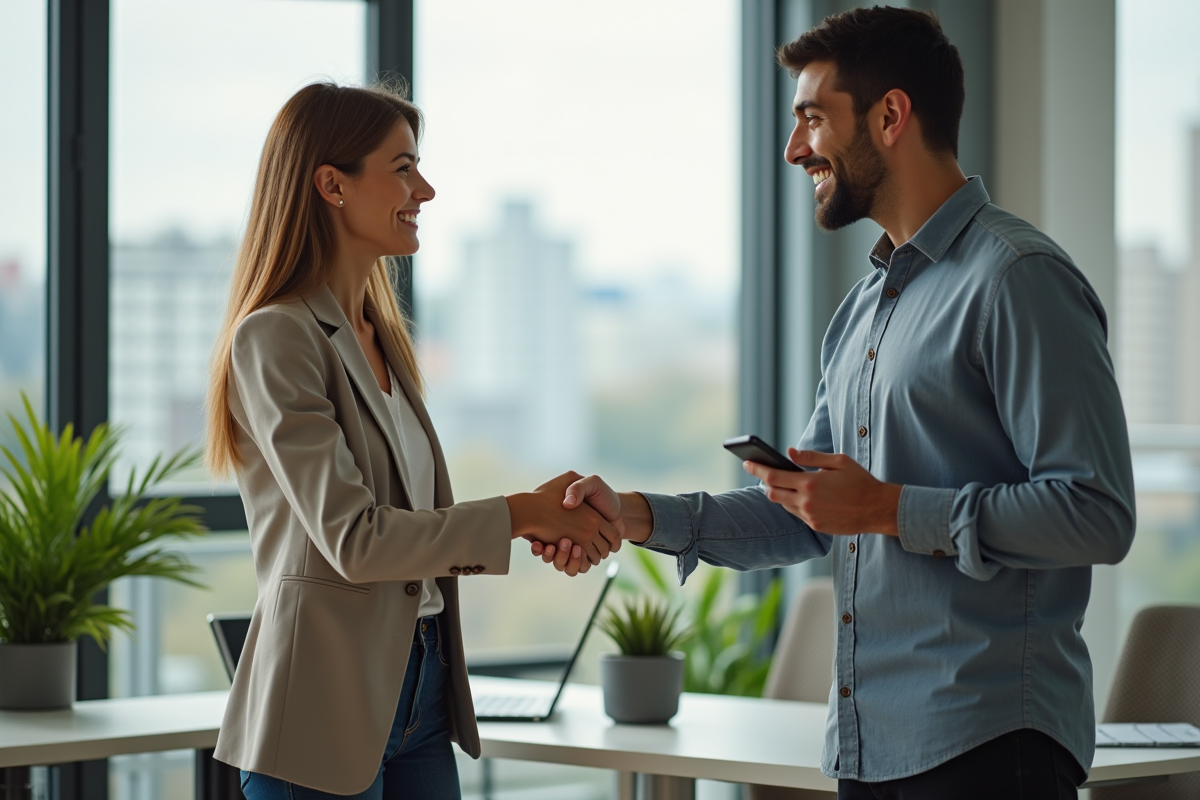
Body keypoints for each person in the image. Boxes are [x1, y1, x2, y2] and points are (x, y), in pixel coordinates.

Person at [534, 7, 1135, 800]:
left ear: (890, 115)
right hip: (867, 749)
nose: (792, 150)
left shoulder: (1017, 279)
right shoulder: (861, 312)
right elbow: (806, 513)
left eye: (812, 118)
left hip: (989, 745)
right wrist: (637, 514)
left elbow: (1097, 513)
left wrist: (889, 509)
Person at [205, 82, 620, 800]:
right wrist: (520, 514)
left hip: (421, 693)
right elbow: (358, 540)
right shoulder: (276, 335)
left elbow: (415, 524)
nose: (423, 189)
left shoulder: (382, 337)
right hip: (321, 711)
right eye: (402, 168)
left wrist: (535, 521)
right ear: (331, 184)